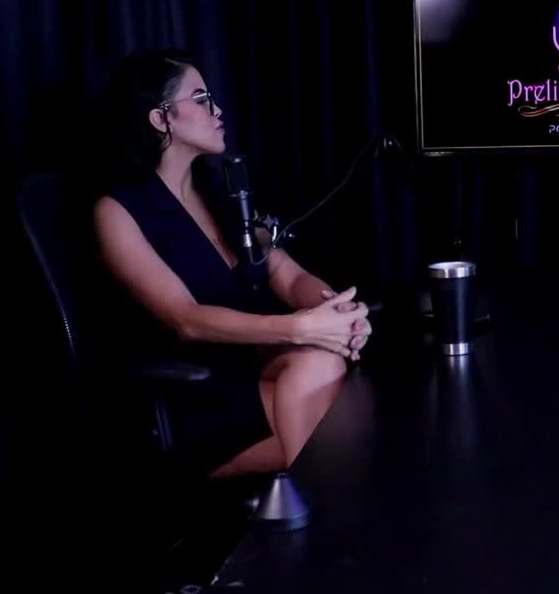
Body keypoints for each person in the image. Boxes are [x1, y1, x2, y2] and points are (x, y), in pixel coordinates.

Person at [91, 49, 373, 480]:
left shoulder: (220, 195)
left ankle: (315, 511)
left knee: (324, 367)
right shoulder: (117, 212)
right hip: (194, 396)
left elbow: (286, 273)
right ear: (161, 119)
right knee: (337, 414)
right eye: (201, 99)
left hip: (251, 373)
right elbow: (185, 319)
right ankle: (328, 510)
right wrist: (300, 328)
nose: (217, 109)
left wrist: (336, 311)